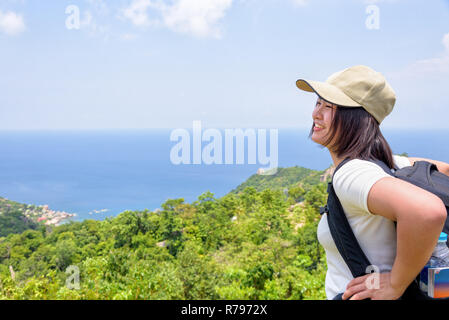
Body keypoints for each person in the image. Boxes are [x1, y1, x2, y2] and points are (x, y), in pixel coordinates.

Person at [295, 65, 449, 300]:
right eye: (318, 103)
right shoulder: (390, 163)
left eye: (330, 107)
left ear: (356, 119)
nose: (316, 113)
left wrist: (395, 284)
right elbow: (445, 169)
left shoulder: (352, 173)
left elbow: (428, 211)